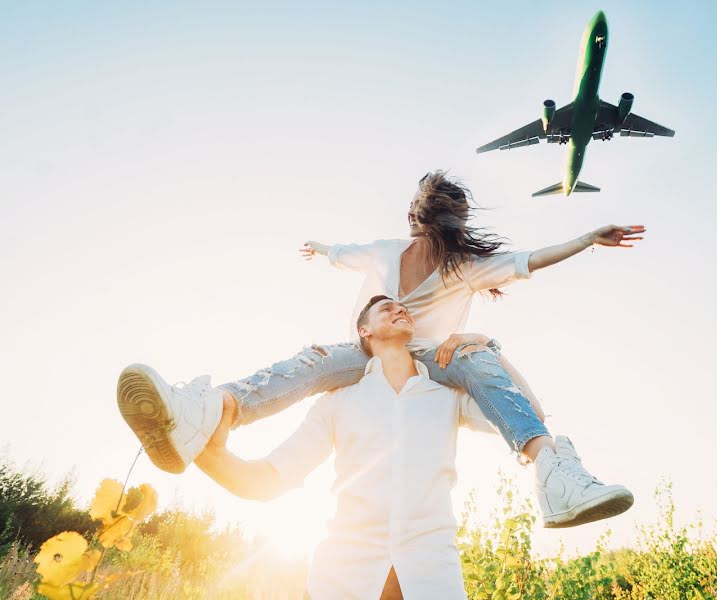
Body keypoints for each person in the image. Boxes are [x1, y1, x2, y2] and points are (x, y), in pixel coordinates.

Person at [117, 171, 644, 527]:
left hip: (436, 362)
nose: (428, 229)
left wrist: (585, 239)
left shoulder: (464, 266)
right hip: (365, 353)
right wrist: (321, 248)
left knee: (477, 356)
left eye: (439, 221)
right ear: (416, 219)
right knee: (313, 361)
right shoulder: (385, 252)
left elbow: (529, 259)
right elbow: (341, 252)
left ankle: (553, 473)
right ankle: (207, 413)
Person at [194, 296, 631, 599]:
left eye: (402, 307)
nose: (398, 308)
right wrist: (208, 456)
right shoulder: (337, 402)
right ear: (364, 332)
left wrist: (488, 349)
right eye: (386, 308)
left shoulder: (446, 398)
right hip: (340, 581)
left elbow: (530, 414)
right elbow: (271, 479)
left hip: (431, 578)